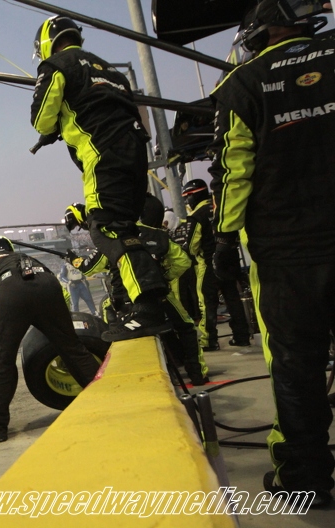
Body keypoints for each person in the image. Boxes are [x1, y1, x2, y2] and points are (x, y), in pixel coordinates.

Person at [208, 0, 334, 507]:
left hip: (286, 258)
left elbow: (233, 173)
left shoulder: (240, 84)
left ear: (258, 32)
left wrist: (223, 239)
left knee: (297, 371)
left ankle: (305, 482)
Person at [30, 15, 169, 341]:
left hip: (103, 156)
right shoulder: (112, 71)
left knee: (107, 227)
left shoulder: (56, 66)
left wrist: (54, 129)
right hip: (135, 155)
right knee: (123, 228)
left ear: (47, 43)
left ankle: (149, 309)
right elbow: (104, 107)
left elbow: (40, 119)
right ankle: (142, 304)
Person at [0, 236, 101, 443]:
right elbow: (64, 294)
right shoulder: (25, 257)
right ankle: (105, 399)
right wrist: (62, 323)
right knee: (74, 350)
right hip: (48, 287)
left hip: (11, 294)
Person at [64, 198, 209, 385]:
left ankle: (138, 382)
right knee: (186, 327)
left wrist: (72, 259)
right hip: (161, 294)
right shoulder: (157, 234)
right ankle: (198, 374)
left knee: (118, 334)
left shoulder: (112, 237)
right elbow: (183, 261)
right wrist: (163, 277)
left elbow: (89, 268)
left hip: (126, 301)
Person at [180, 179, 252, 351]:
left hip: (208, 263)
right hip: (230, 259)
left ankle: (209, 340)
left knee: (207, 302)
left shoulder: (196, 216)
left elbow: (191, 246)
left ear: (193, 195)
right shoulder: (220, 207)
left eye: (187, 197)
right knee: (233, 299)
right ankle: (242, 337)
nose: (187, 202)